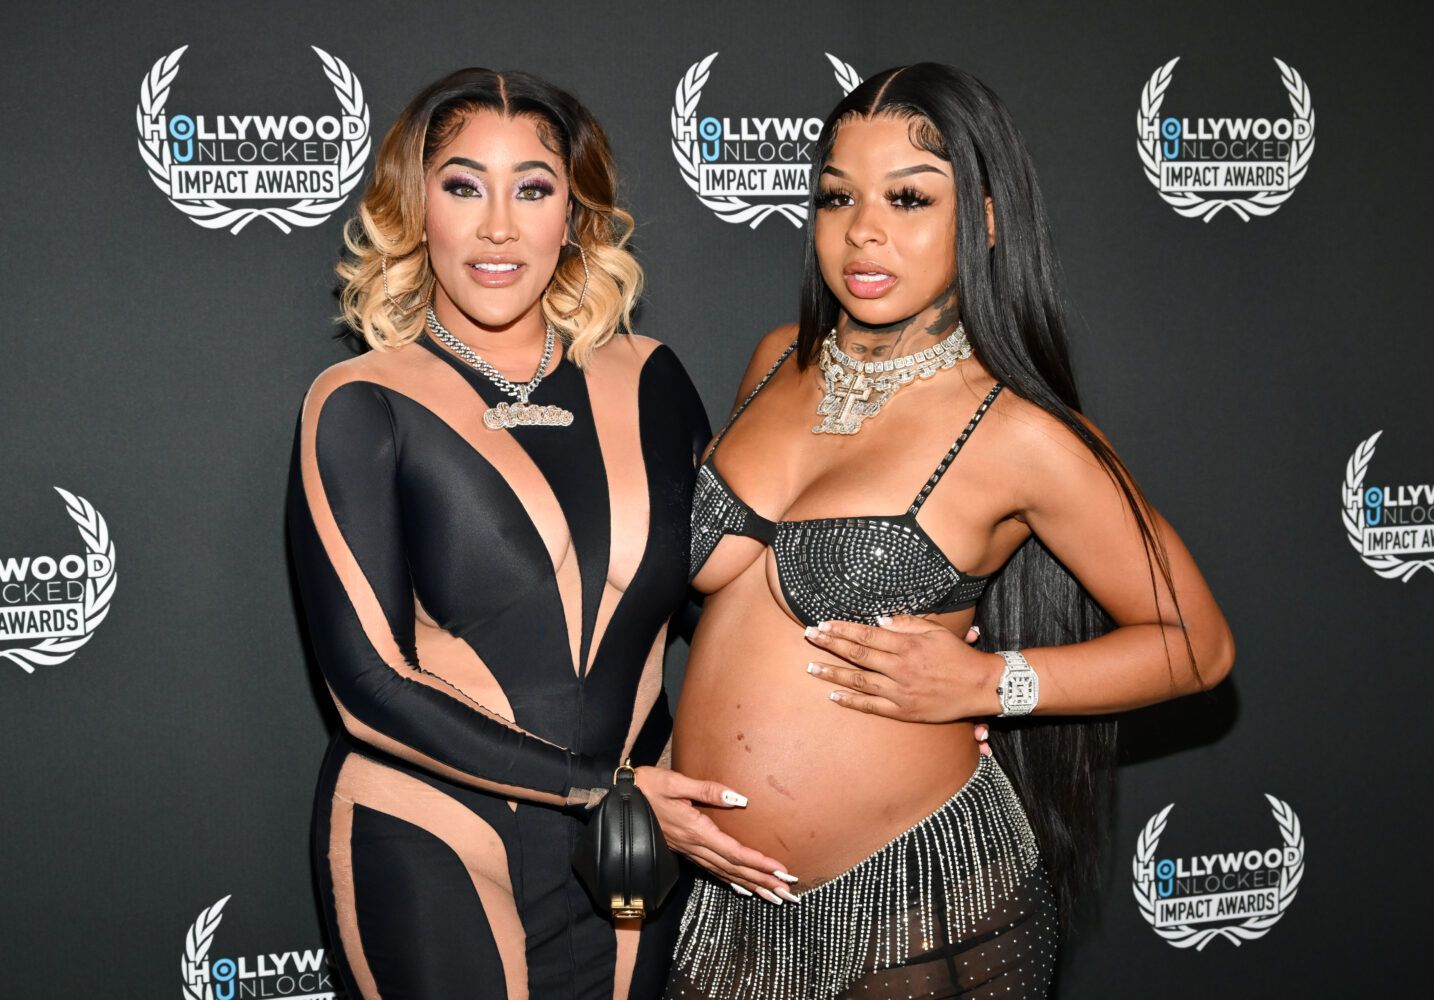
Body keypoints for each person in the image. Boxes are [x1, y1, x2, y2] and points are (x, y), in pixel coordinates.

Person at [666, 63, 1235, 999]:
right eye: (838, 196)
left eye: (910, 198)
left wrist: (993, 682)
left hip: (923, 912)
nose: (864, 231)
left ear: (988, 220)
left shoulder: (1018, 430)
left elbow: (1197, 645)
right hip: (729, 908)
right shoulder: (776, 361)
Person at [288, 68, 783, 999]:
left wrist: (902, 701)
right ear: (414, 209)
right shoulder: (362, 402)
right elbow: (367, 688)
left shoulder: (651, 377)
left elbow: (738, 591)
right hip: (434, 831)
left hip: (632, 845)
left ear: (574, 214)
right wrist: (600, 785)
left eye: (532, 188)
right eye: (462, 186)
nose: (498, 228)